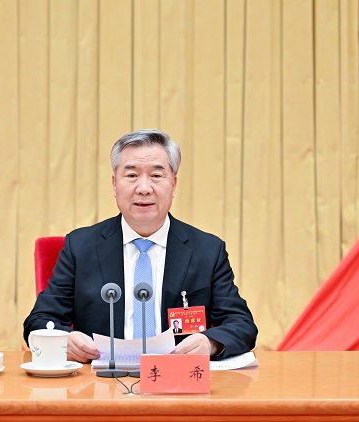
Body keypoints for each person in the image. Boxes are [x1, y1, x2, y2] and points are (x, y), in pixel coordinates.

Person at [23, 129, 257, 362]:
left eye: (156, 175)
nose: (144, 188)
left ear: (173, 184)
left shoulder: (207, 250)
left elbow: (241, 324)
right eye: (132, 175)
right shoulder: (80, 247)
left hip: (176, 378)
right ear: (114, 185)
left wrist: (210, 343)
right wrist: (64, 340)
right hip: (101, 379)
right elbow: (40, 320)